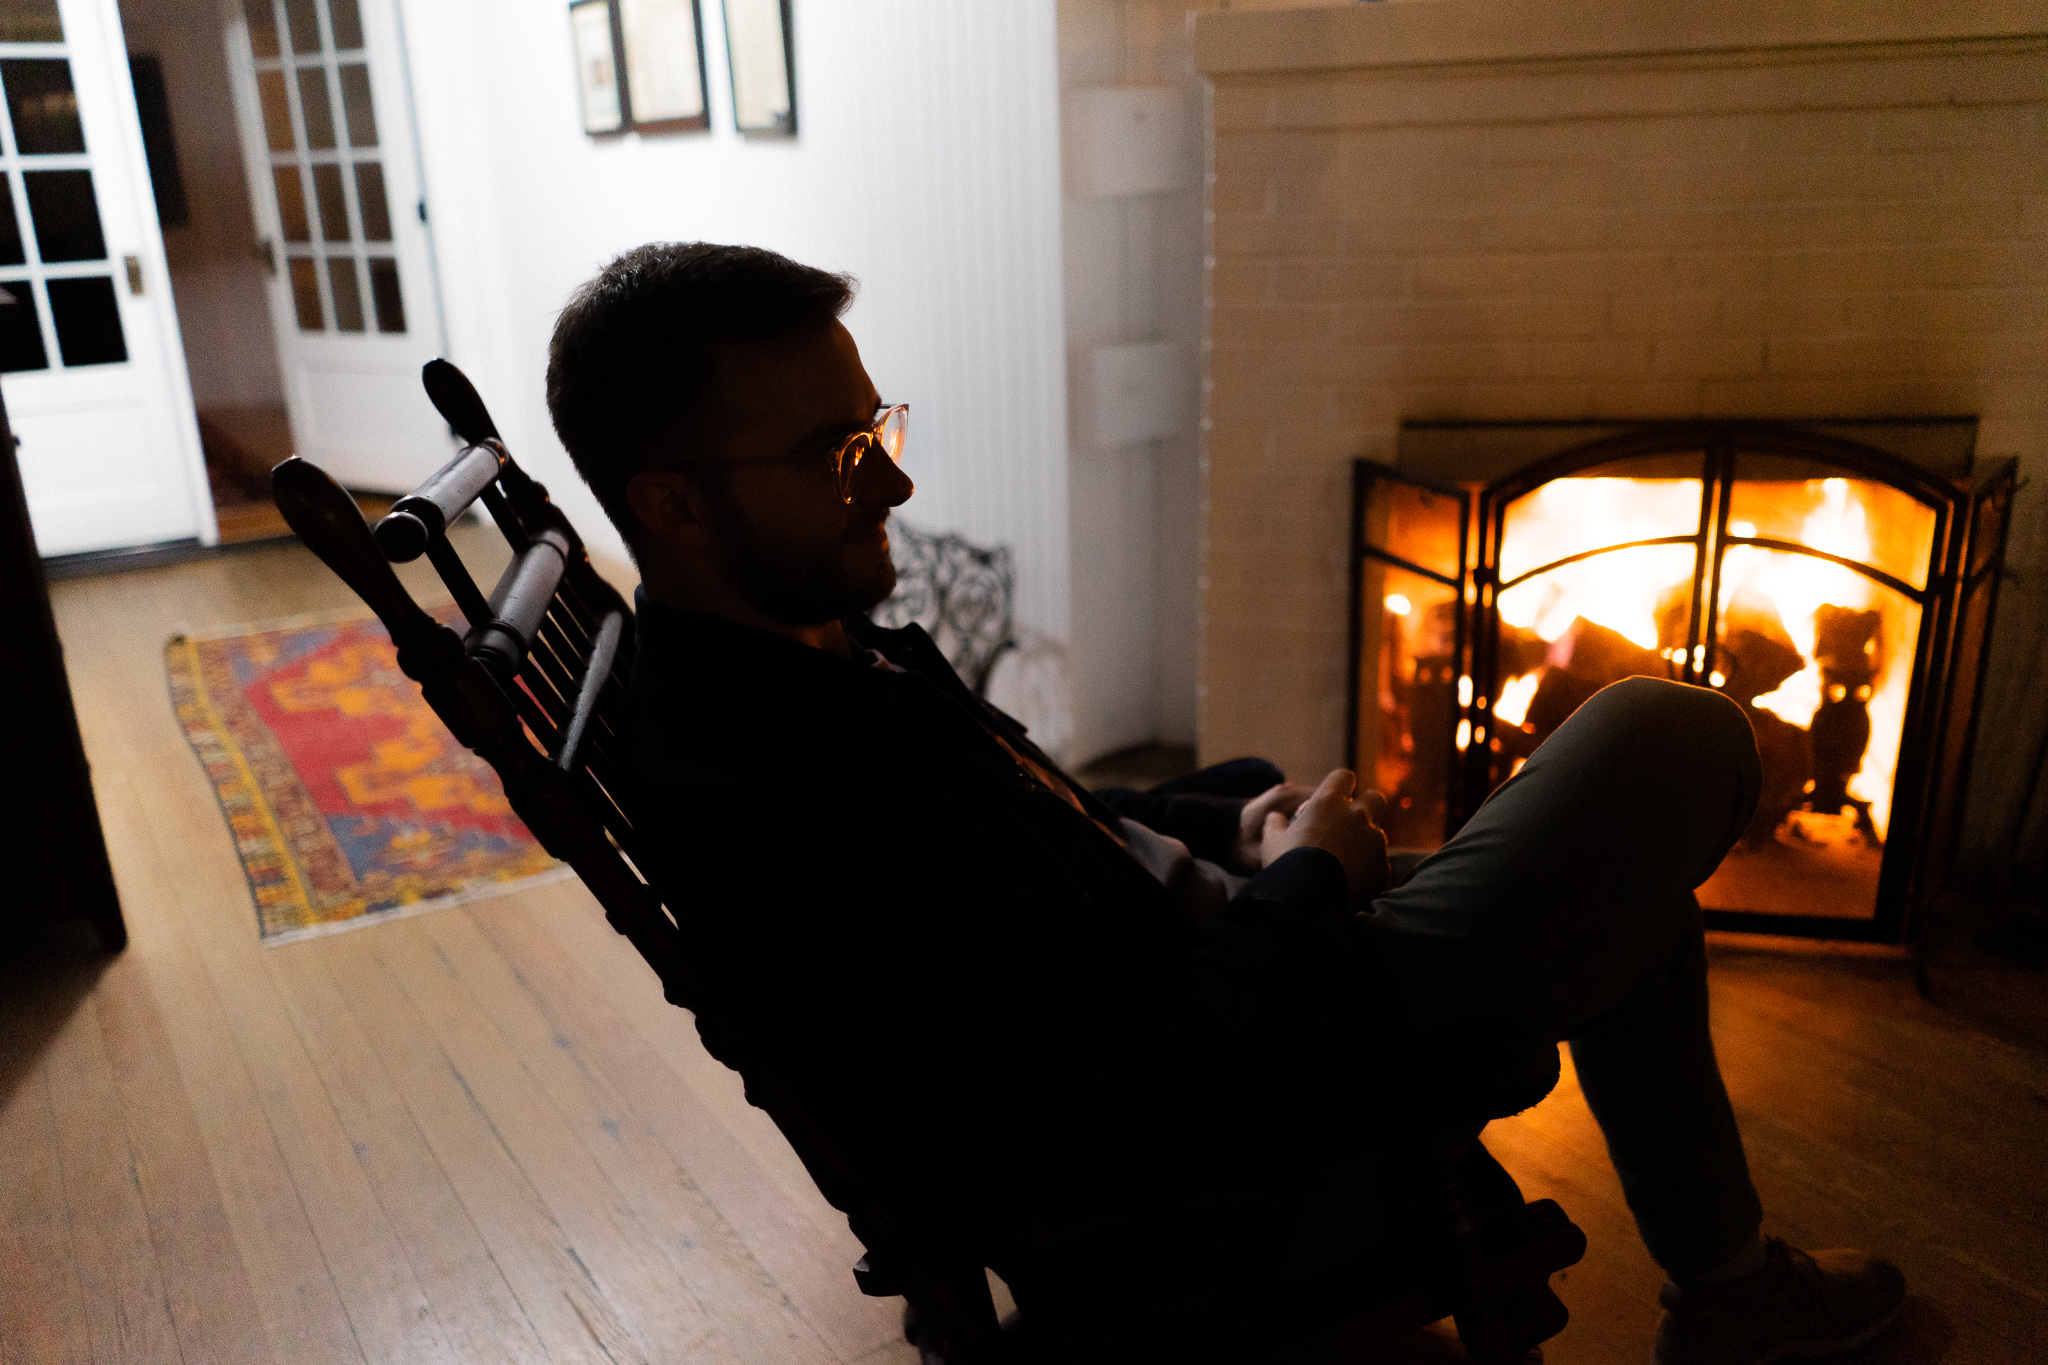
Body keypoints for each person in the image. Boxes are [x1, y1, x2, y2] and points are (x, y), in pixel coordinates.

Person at [544, 241, 1906, 1364]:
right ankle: (1737, 1293)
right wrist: (1307, 881)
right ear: (675, 506)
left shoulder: (788, 668)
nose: (893, 480)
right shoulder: (791, 792)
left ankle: (1733, 1291)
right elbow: (1132, 1100)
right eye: (838, 457)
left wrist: (1224, 831)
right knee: (1668, 734)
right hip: (1251, 1140)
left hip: (1233, 982)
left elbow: (1036, 824)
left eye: (876, 430)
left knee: (1612, 892)